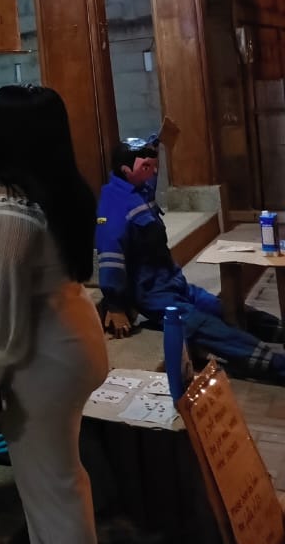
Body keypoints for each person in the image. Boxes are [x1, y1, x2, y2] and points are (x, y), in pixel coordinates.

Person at [0, 85, 107, 544]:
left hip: (41, 358)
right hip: (74, 337)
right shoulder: (64, 191)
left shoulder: (10, 211)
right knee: (61, 481)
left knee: (51, 492)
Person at [97, 138, 285, 382]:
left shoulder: (140, 188)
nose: (154, 171)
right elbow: (111, 259)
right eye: (147, 167)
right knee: (209, 328)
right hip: (154, 295)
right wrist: (115, 305)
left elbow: (150, 154)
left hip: (174, 282)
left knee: (226, 309)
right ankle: (277, 365)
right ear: (125, 170)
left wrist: (159, 139)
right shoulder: (114, 204)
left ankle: (279, 331)